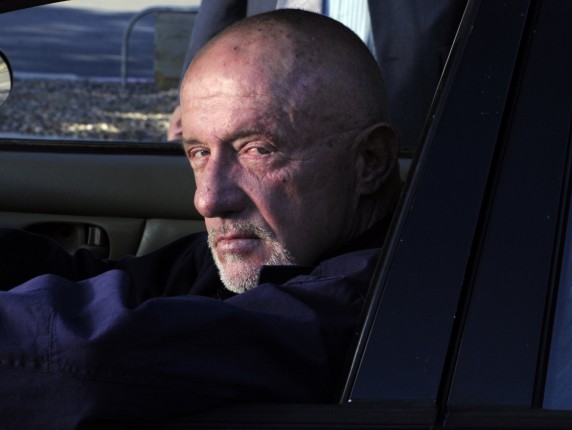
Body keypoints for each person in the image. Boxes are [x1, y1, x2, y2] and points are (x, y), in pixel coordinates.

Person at [0, 9, 400, 428]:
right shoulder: (284, 247)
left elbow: (83, 353)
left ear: (370, 161)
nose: (207, 199)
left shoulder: (360, 306)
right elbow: (104, 281)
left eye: (257, 149)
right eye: (199, 153)